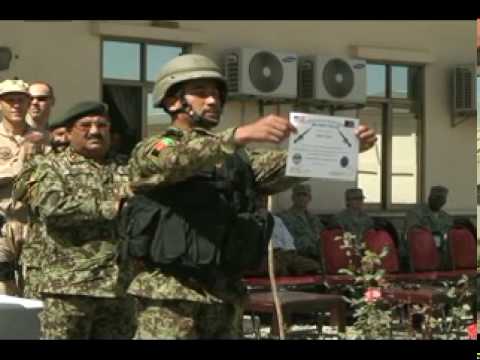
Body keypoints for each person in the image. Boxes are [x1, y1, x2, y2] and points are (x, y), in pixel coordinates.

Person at [125, 54, 378, 339]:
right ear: (172, 101)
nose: (212, 101)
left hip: (225, 292)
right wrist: (239, 135)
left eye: (217, 94)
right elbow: (175, 161)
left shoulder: (237, 160)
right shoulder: (156, 147)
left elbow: (292, 164)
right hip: (170, 294)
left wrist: (346, 146)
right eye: (201, 93)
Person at [22, 101, 135, 339]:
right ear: (69, 131)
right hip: (68, 287)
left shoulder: (126, 167)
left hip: (117, 288)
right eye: (86, 125)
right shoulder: (50, 166)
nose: (94, 131)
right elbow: (52, 208)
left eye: (101, 125)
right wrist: (111, 206)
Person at [12, 117, 70, 299]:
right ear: (50, 136)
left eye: (68, 134)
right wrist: (30, 157)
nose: (63, 140)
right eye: (59, 134)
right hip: (43, 258)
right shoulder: (39, 164)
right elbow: (22, 193)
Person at [0, 79, 46, 296]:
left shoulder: (44, 139)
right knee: (3, 292)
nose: (16, 105)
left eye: (21, 100)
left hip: (34, 224)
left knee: (36, 291)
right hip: (2, 224)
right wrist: (19, 166)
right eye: (10, 100)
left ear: (29, 104)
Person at [250, 193, 322, 276]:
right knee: (273, 267)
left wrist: (289, 256)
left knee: (314, 266)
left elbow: (289, 242)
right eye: (260, 201)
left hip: (286, 255)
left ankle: (289, 269)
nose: (263, 203)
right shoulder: (249, 220)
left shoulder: (277, 220)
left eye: (266, 200)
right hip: (268, 255)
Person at [404, 185, 454, 269]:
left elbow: (450, 237)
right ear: (429, 198)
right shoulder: (415, 213)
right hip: (419, 254)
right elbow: (410, 236)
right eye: (436, 197)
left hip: (442, 256)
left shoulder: (446, 218)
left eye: (442, 198)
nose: (439, 201)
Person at [278, 184, 325, 263]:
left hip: (318, 257)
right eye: (298, 195)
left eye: (304, 195)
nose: (301, 198)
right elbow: (287, 242)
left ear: (309, 198)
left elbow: (323, 237)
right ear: (293, 198)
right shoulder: (283, 217)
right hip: (297, 258)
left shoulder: (314, 219)